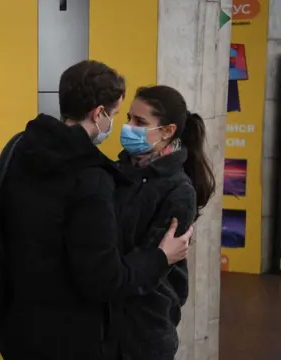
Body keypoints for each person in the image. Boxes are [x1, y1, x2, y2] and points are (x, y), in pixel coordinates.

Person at [0, 60, 193, 360]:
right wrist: (162, 257)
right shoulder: (92, 177)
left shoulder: (20, 147)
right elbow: (105, 278)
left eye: (138, 122)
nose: (124, 127)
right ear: (99, 114)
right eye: (118, 116)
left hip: (15, 325)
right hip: (69, 334)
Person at [113, 85, 215, 360]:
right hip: (109, 327)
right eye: (128, 119)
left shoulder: (179, 190)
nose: (129, 127)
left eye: (140, 122)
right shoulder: (119, 172)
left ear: (167, 131)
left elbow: (149, 264)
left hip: (146, 331)